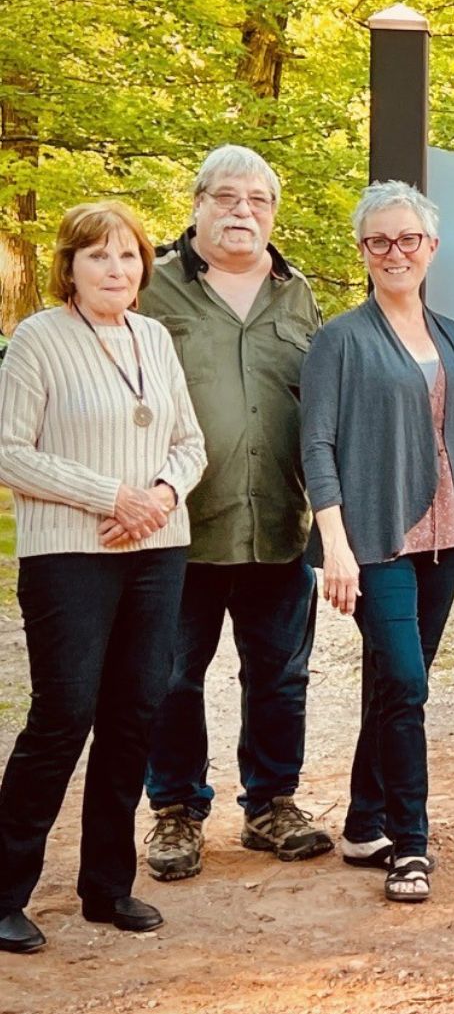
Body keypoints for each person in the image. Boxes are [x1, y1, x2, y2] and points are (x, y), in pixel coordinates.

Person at [0, 202, 206, 953]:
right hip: (70, 557)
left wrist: (155, 499)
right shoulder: (37, 339)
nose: (115, 270)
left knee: (136, 712)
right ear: (70, 266)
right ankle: (6, 890)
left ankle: (107, 885)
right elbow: (8, 450)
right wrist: (109, 497)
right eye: (98, 257)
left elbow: (189, 442)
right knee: (64, 715)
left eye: (128, 257)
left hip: (157, 549)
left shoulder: (154, 336)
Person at [301, 181, 454, 903]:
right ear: (363, 251)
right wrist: (335, 544)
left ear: (431, 248)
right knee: (410, 685)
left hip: (448, 537)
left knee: (395, 684)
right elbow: (317, 445)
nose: (395, 252)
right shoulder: (340, 338)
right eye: (379, 241)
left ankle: (363, 821)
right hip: (376, 540)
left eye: (408, 239)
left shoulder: (453, 334)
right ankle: (410, 845)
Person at [140, 146, 329, 882]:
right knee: (171, 677)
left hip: (279, 525)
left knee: (280, 675)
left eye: (257, 198)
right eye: (225, 196)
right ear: (197, 204)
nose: (241, 209)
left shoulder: (297, 294)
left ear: (273, 212)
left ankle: (271, 805)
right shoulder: (151, 288)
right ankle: (176, 812)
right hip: (176, 531)